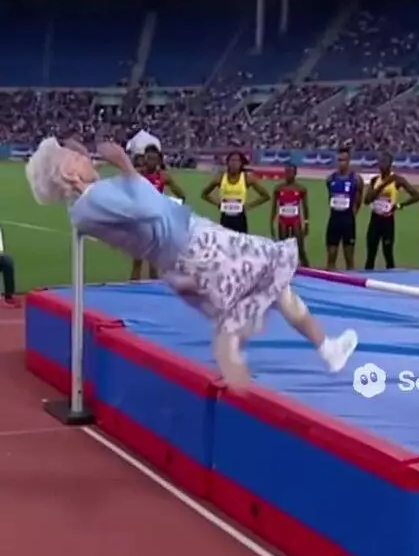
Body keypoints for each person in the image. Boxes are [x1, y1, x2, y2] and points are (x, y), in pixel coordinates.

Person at [25, 137, 358, 389]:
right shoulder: (96, 198)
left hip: (181, 259)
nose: (86, 158)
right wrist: (125, 164)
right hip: (195, 244)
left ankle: (321, 347)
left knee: (272, 286)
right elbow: (150, 208)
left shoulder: (82, 211)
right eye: (77, 158)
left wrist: (83, 159)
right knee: (272, 272)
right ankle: (276, 346)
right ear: (69, 172)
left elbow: (125, 209)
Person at [130, 145, 186, 281]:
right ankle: (133, 289)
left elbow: (181, 195)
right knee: (137, 261)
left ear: (158, 160)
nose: (151, 162)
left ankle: (153, 290)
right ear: (144, 159)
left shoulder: (163, 176)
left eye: (154, 159)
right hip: (140, 221)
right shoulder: (137, 175)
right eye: (148, 158)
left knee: (153, 262)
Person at [364, 152, 419, 270]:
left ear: (390, 164)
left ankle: (392, 277)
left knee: (388, 253)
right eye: (380, 162)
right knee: (371, 254)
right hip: (375, 220)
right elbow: (367, 200)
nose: (382, 165)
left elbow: (416, 196)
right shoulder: (374, 180)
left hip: (387, 221)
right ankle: (367, 277)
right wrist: (382, 185)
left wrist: (400, 205)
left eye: (385, 162)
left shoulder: (398, 180)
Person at [201, 151, 270, 233]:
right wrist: (217, 204)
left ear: (241, 163)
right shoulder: (220, 178)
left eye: (237, 161)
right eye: (232, 160)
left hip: (240, 218)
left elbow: (265, 196)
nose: (234, 163)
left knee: (240, 240)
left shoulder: (247, 178)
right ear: (228, 162)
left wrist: (249, 206)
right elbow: (204, 194)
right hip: (225, 217)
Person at [325, 148, 363, 270]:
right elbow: (330, 197)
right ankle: (329, 279)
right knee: (331, 255)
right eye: (339, 160)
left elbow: (358, 200)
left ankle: (350, 280)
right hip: (334, 219)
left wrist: (352, 214)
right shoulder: (330, 179)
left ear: (349, 161)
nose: (341, 163)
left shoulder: (356, 179)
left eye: (344, 160)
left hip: (348, 221)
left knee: (349, 257)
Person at [270, 163, 309, 267]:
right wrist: (272, 223)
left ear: (295, 173)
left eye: (291, 172)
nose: (288, 175)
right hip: (283, 221)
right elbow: (274, 207)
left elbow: (305, 207)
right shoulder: (278, 188)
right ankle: (283, 269)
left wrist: (306, 223)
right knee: (283, 249)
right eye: (286, 172)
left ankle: (308, 270)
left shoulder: (301, 188)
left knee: (300, 248)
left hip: (295, 221)